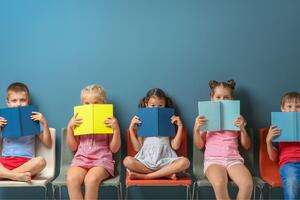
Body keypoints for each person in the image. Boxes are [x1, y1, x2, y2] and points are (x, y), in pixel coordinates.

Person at [193, 79, 253, 200]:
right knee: (220, 184)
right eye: (218, 97)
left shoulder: (238, 117)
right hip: (213, 161)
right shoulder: (205, 118)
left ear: (231, 100)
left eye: (226, 97)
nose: (222, 100)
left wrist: (242, 128)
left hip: (234, 160)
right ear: (212, 99)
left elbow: (246, 145)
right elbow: (199, 145)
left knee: (247, 184)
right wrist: (196, 129)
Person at [66, 84, 121, 200]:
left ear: (103, 104)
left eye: (96, 103)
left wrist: (116, 129)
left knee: (91, 180)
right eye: (87, 103)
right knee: (71, 179)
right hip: (81, 160)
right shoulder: (77, 120)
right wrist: (70, 128)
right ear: (82, 105)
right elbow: (73, 147)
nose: (91, 106)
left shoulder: (109, 121)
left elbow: (114, 149)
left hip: (101, 161)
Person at [123, 88, 190, 180]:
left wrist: (180, 126)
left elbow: (175, 146)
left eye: (160, 105)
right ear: (146, 105)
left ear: (165, 105)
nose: (156, 108)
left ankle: (147, 176)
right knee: (127, 161)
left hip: (166, 159)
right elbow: (137, 148)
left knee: (185, 162)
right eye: (153, 105)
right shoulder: (142, 121)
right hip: (147, 160)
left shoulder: (169, 120)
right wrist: (131, 128)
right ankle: (165, 174)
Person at [0, 82, 52, 182]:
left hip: (26, 163)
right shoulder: (3, 120)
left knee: (41, 161)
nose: (18, 104)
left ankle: (7, 175)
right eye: (14, 100)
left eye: (22, 100)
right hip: (5, 161)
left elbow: (48, 143)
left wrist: (44, 123)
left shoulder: (33, 119)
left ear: (28, 102)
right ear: (8, 102)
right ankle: (16, 176)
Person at [266, 92, 300, 199]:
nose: (293, 110)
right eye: (289, 106)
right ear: (283, 109)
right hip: (290, 163)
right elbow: (273, 158)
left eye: (298, 106)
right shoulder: (277, 127)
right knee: (291, 181)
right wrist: (268, 141)